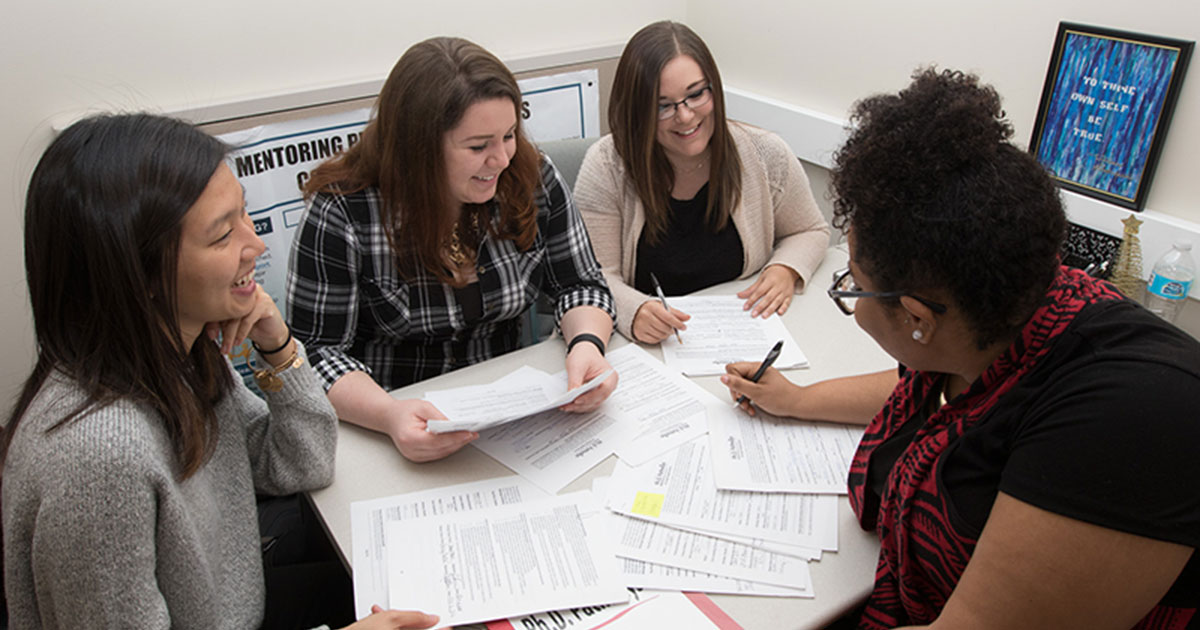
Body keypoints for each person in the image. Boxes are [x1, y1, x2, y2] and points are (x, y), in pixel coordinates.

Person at [722, 69, 1200, 629]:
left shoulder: (1125, 423)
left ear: (918, 316)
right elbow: (959, 388)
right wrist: (798, 400)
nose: (850, 300)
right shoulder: (1008, 310)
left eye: (851, 285)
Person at [2, 113, 440, 630]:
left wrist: (278, 346)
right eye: (221, 237)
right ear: (138, 274)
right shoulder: (98, 459)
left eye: (246, 217)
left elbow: (301, 464)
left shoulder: (180, 353)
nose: (255, 247)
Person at [289, 37, 617, 463]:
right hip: (390, 422)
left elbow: (580, 283)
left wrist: (588, 346)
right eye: (478, 146)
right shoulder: (343, 210)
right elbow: (313, 356)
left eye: (510, 135)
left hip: (511, 419)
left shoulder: (530, 177)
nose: (500, 159)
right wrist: (390, 415)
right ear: (418, 149)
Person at [574, 20, 830, 344]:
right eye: (663, 106)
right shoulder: (607, 166)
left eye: (696, 94)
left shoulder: (764, 152)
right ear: (637, 111)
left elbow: (809, 230)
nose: (685, 116)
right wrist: (633, 310)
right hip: (648, 349)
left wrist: (785, 269)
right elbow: (593, 278)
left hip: (745, 336)